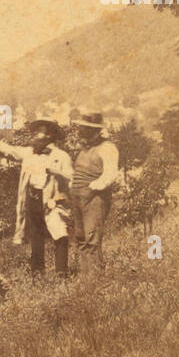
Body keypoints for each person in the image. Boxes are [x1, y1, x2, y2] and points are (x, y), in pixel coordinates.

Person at [0, 119, 74, 277]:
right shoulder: (28, 153)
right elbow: (5, 149)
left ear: (49, 135)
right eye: (35, 130)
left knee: (60, 234)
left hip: (54, 201)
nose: (34, 135)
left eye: (39, 131)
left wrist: (55, 172)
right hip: (33, 199)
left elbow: (71, 177)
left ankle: (61, 274)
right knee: (36, 237)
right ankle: (37, 274)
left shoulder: (62, 156)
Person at [69, 111, 121, 274]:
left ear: (95, 130)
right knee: (80, 238)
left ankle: (96, 279)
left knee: (92, 238)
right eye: (81, 128)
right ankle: (86, 278)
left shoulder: (107, 148)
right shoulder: (84, 149)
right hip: (77, 197)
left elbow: (111, 173)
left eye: (85, 128)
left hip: (95, 199)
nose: (81, 131)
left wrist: (94, 186)